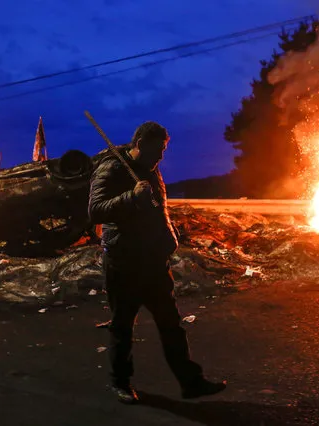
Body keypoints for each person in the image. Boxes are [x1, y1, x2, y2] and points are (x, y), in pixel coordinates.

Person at [88, 121, 226, 404]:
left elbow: (157, 209)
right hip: (124, 261)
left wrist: (169, 236)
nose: (161, 156)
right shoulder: (112, 168)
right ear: (138, 144)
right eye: (157, 150)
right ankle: (120, 383)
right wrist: (130, 197)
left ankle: (191, 383)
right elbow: (95, 210)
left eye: (163, 150)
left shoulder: (152, 169)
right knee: (123, 326)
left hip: (153, 260)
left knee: (171, 324)